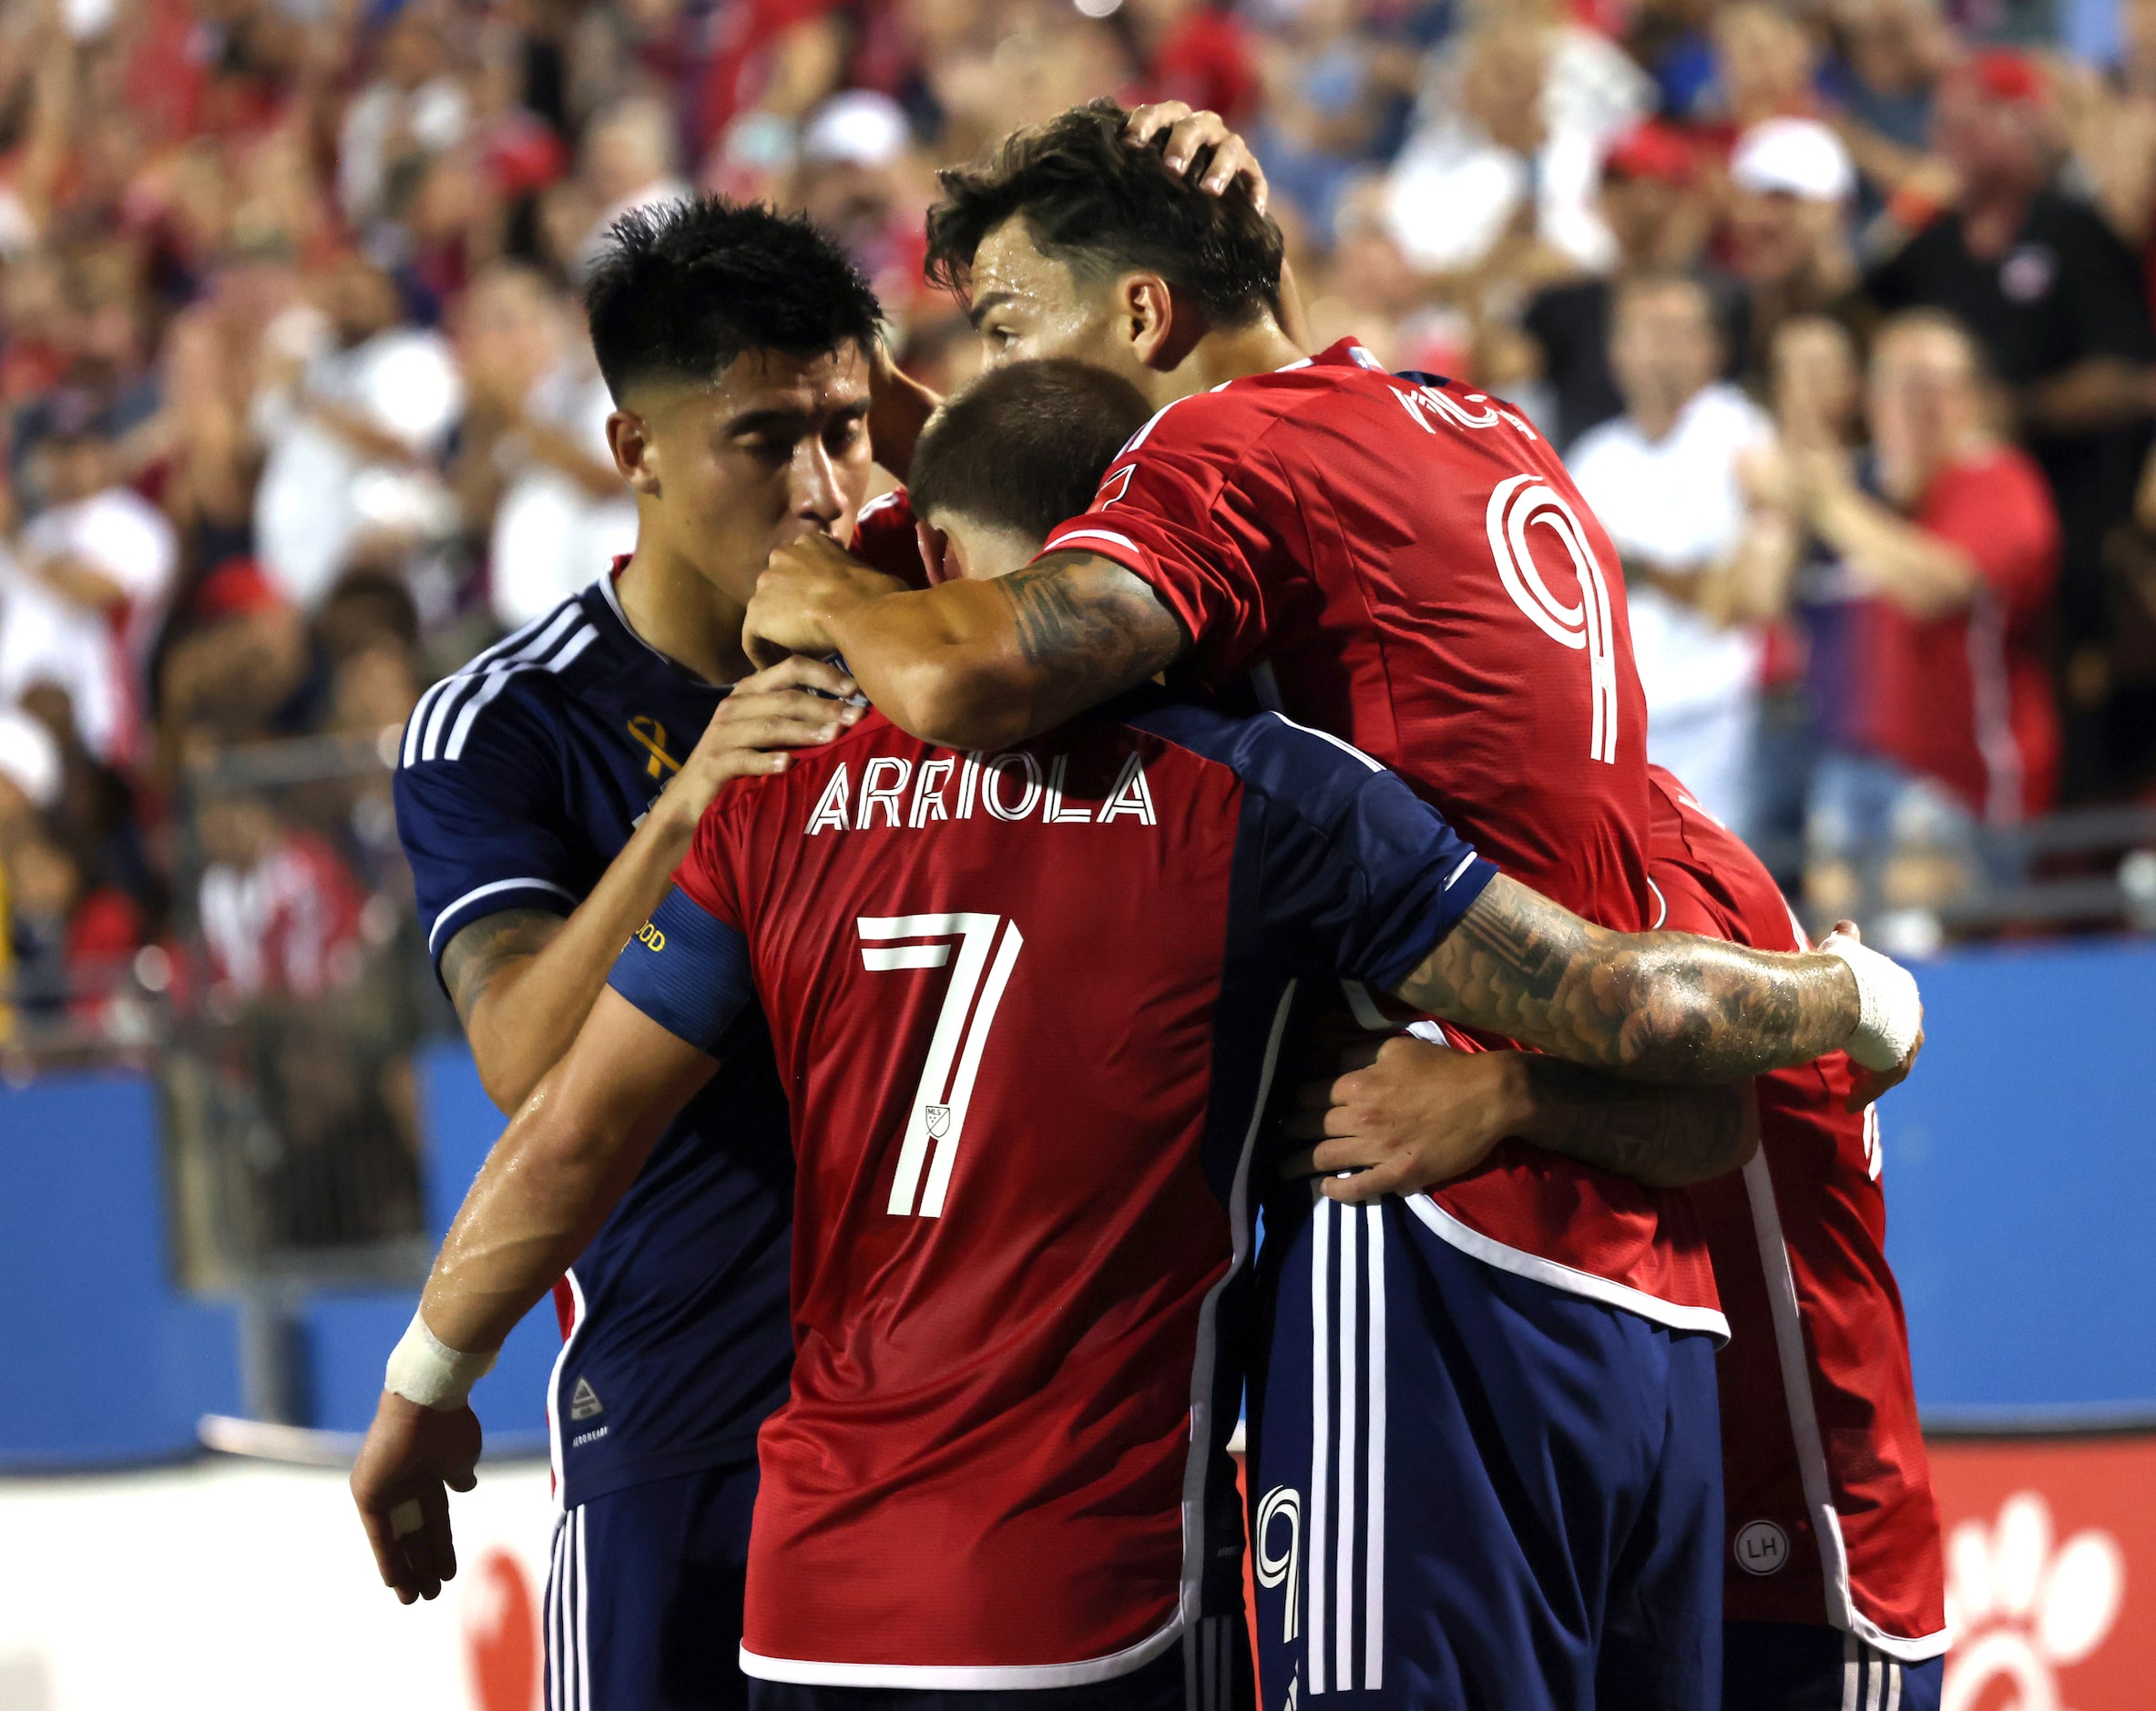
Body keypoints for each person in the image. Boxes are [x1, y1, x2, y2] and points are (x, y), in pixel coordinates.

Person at [352, 355, 1921, 1710]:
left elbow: (567, 1130)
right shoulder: (1268, 795)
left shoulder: (780, 790)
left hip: (815, 1594)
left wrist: (424, 1382)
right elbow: (1625, 1006)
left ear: (950, 549)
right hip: (1093, 1601)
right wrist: (1848, 995)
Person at [741, 103, 1921, 1709]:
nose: (998, 372)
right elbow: (1032, 471)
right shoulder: (1481, 433)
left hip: (1422, 1229)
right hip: (1639, 1265)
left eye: (1010, 327)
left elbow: (978, 670)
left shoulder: (1218, 455)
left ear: (1146, 315)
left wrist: (828, 591)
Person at [377, 107, 1283, 1710]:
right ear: (634, 452)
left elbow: (1057, 445)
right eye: (763, 441)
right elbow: (526, 1059)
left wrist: (1185, 225)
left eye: (845, 430)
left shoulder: (916, 612)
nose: (817, 486)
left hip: (973, 1451)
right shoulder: (505, 724)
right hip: (677, 1427)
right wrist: (690, 803)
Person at [1290, 765, 1950, 1711]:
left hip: (1807, 1562)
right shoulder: (1591, 854)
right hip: (1670, 1515)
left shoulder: (1655, 866)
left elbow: (1693, 1074)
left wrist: (1499, 1098)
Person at [1864, 50, 2156, 797]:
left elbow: (2131, 379)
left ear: (2024, 126)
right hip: (1954, 509)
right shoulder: (1931, 246)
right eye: (1945, 118)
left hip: (2074, 523)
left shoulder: (2072, 231)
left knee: (2080, 718)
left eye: (1974, 117)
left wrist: (2015, 409)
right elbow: (1857, 305)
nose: (1951, 134)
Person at [1781, 310, 2061, 922]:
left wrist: (1826, 503)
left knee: (1913, 955)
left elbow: (1935, 585)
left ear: (1973, 399)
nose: (1915, 403)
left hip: (1952, 776)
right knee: (1839, 964)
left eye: (1935, 384)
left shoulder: (1994, 478)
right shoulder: (1867, 488)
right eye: (1896, 383)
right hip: (1844, 761)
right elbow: (1754, 604)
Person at [1568, 272, 1775, 832]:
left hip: (1724, 712)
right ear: (1618, 349)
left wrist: (1635, 567)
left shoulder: (1746, 437)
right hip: (1623, 727)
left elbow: (1749, 597)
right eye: (1648, 332)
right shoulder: (1593, 460)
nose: (1662, 350)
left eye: (1680, 332)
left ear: (1714, 347)